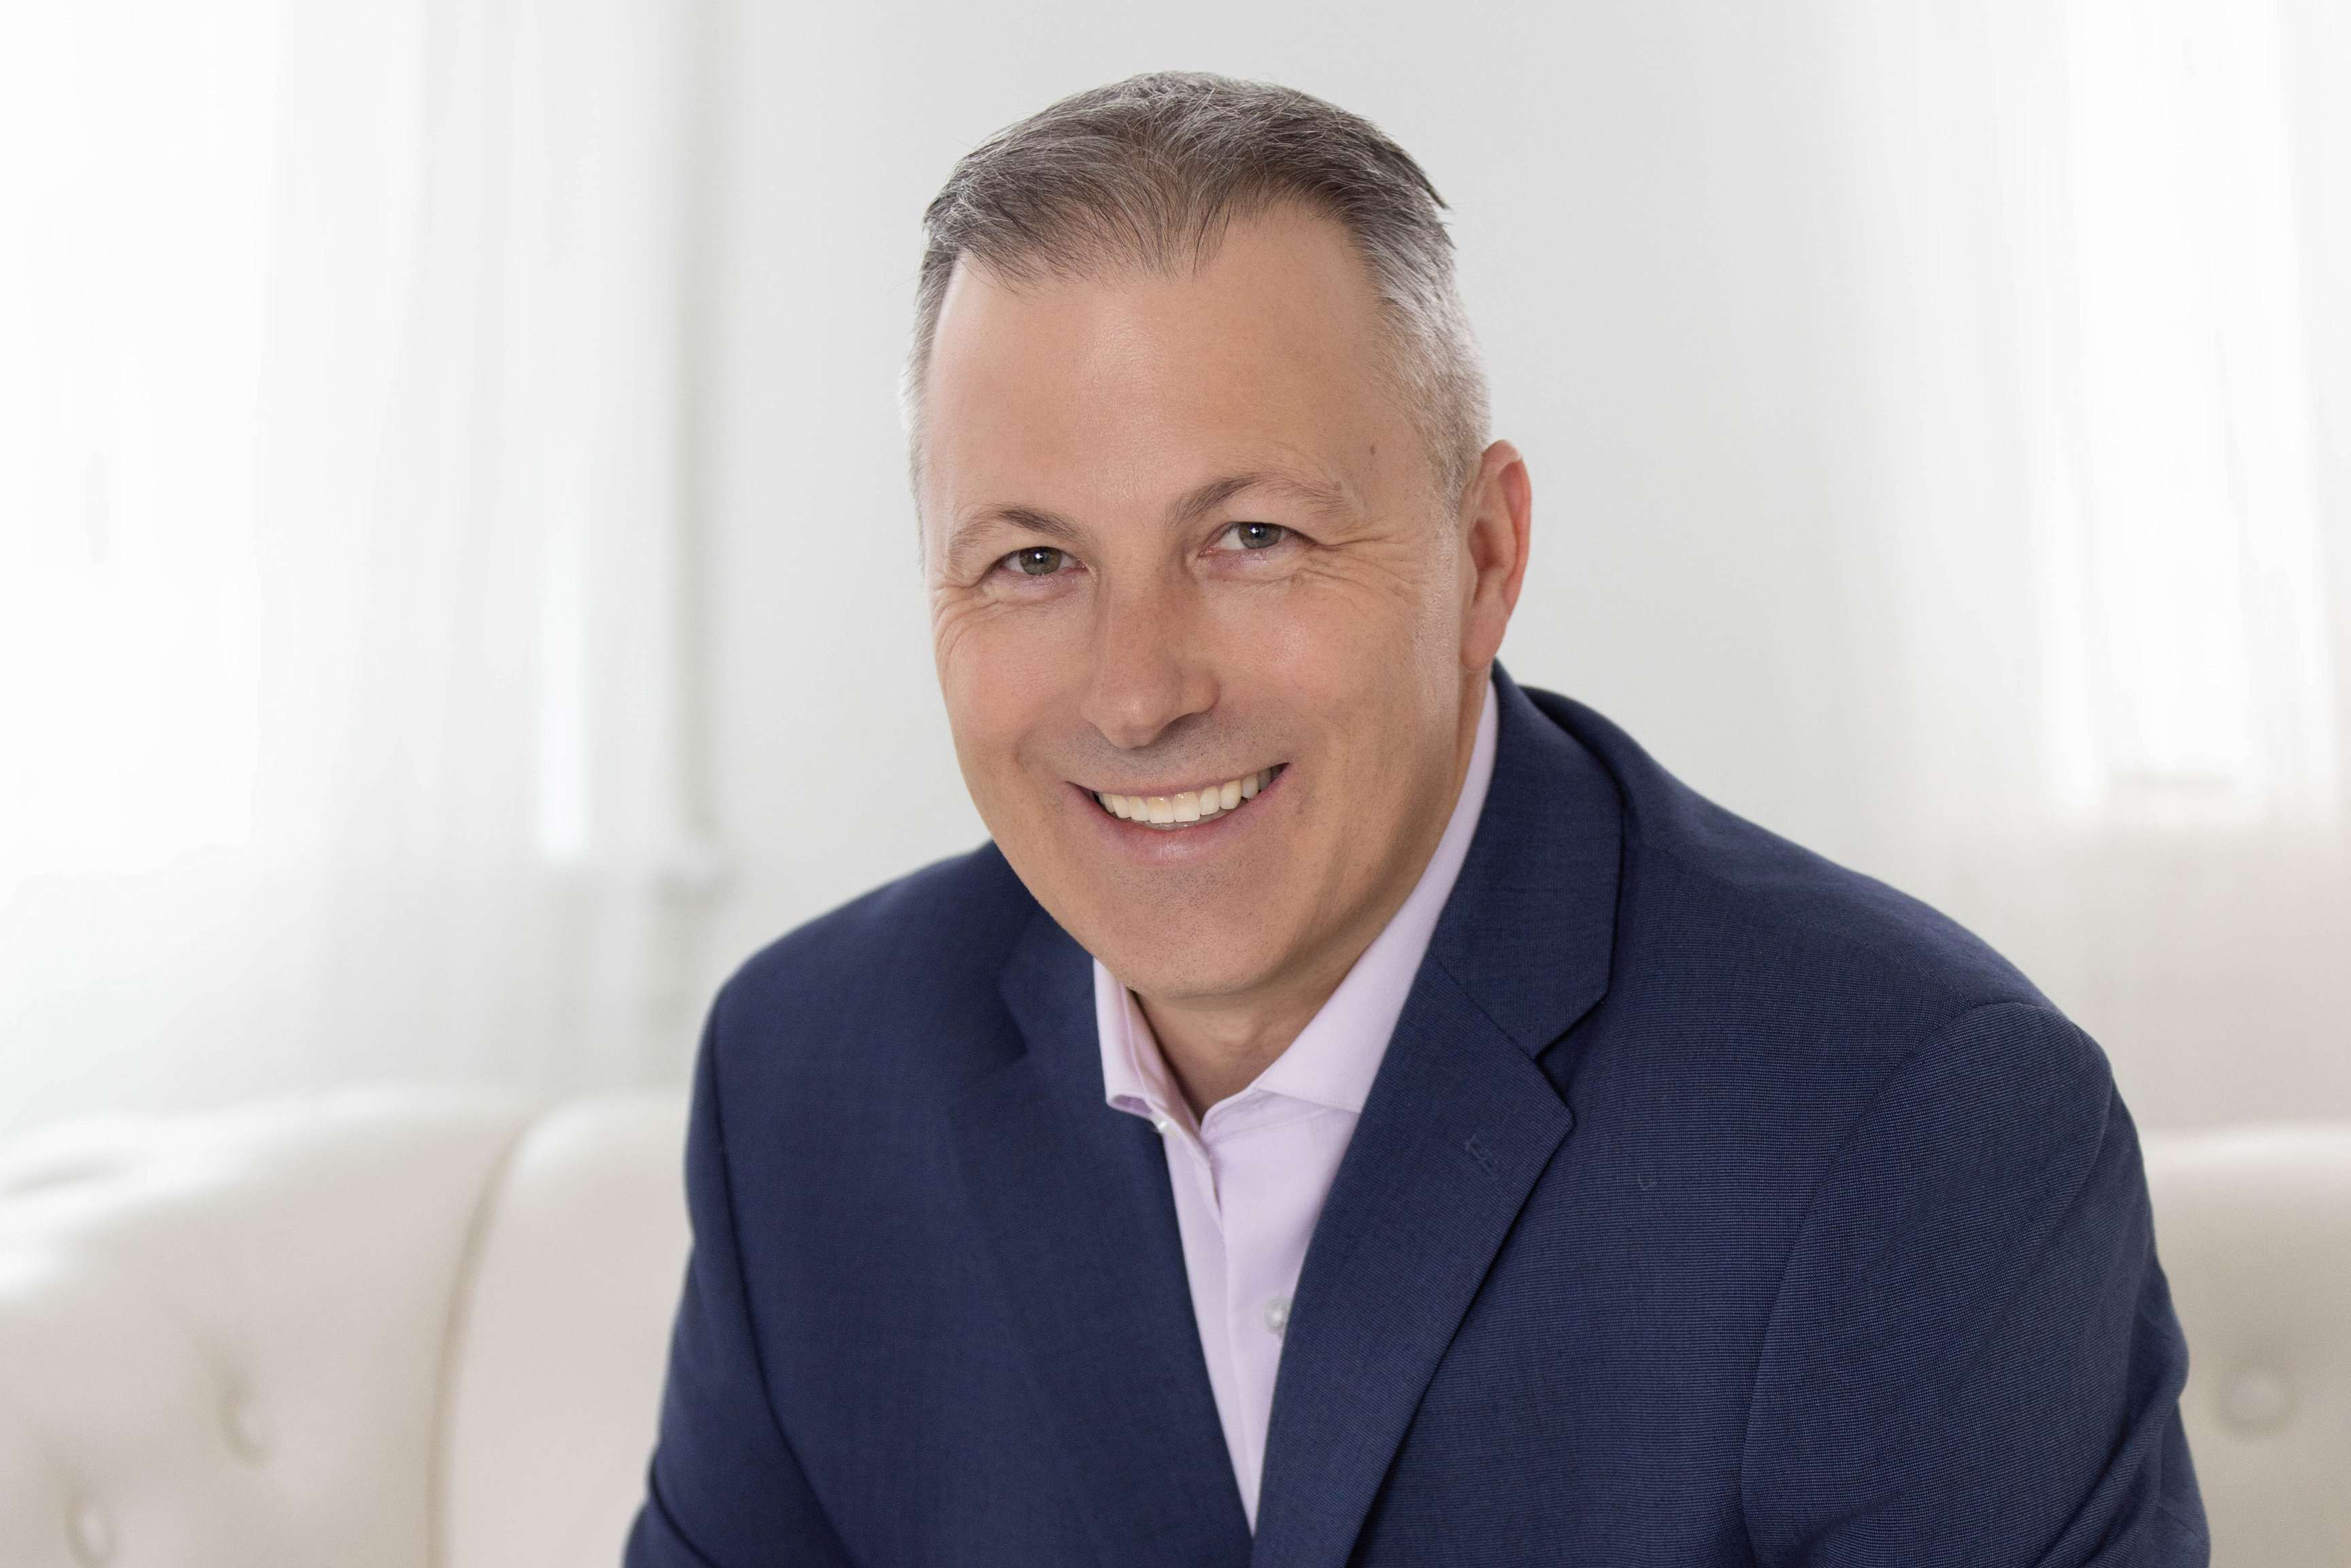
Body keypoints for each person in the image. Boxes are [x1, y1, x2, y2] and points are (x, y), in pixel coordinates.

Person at [625, 71, 2207, 1567]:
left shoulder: (1907, 1125)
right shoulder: (805, 1084)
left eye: (1251, 536)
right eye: (1032, 562)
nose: (1137, 693)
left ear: (1486, 557)